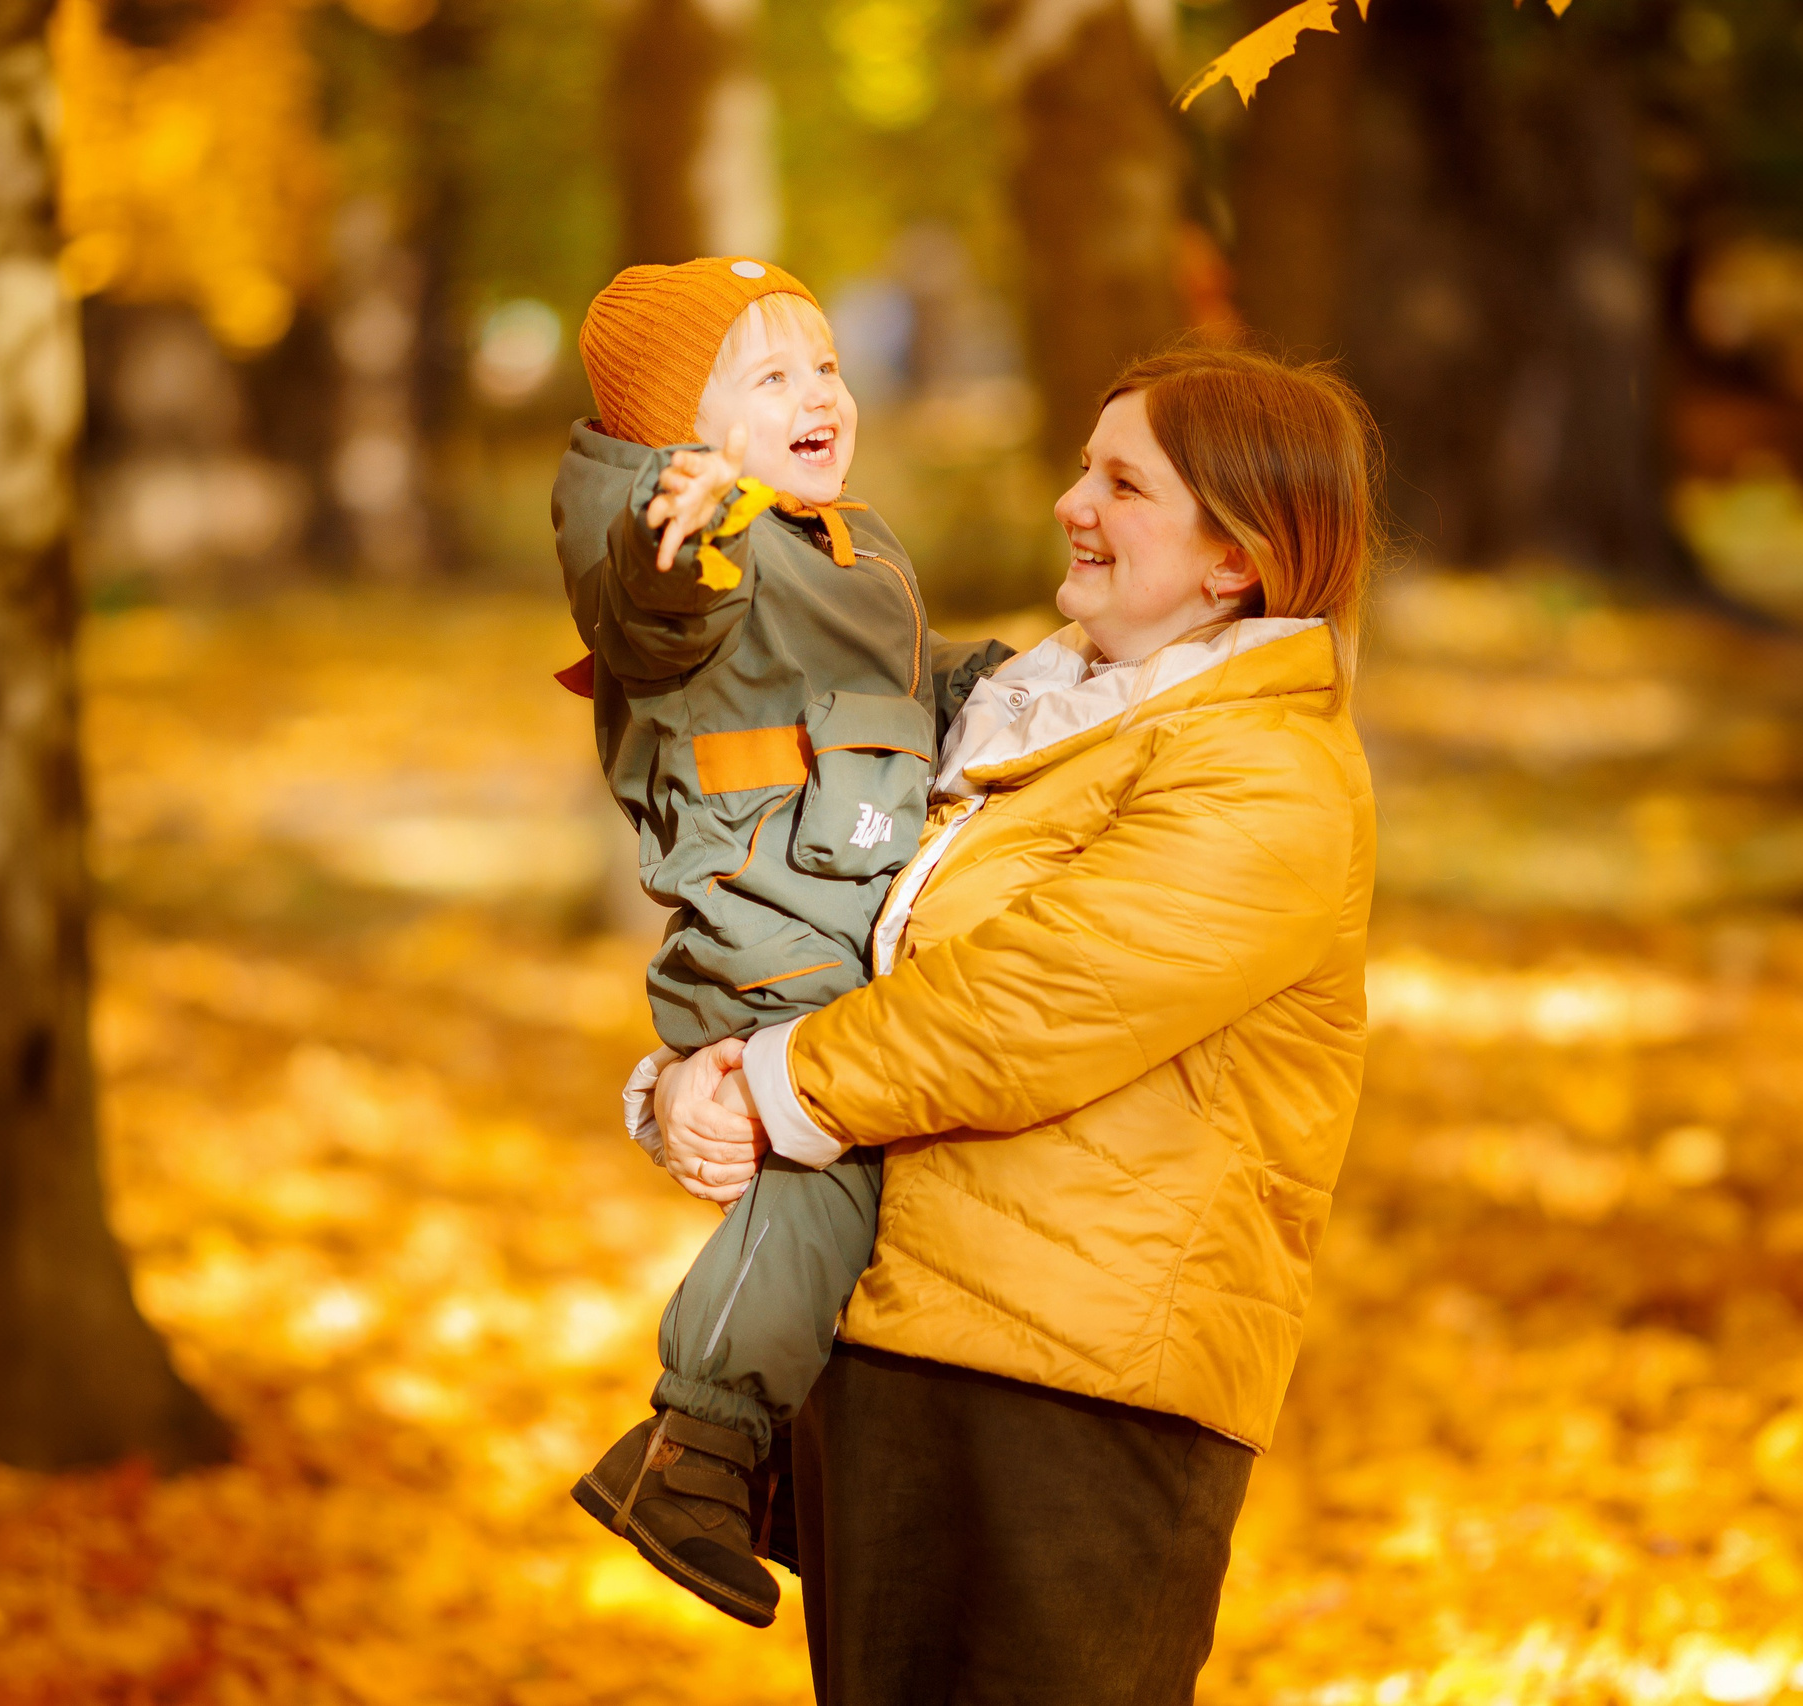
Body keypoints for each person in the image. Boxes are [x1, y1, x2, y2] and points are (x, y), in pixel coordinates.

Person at [657, 343, 1382, 1702]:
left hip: (1081, 1388)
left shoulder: (1266, 772)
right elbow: (838, 907)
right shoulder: (1036, 724)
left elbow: (1027, 1003)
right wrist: (694, 1065)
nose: (1070, 501)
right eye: (1082, 466)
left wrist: (767, 1083)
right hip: (899, 1344)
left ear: (1234, 560)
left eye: (1124, 482)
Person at [552, 255, 1009, 1626]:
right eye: (772, 376)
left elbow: (890, 695)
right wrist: (674, 535)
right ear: (680, 438)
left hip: (833, 916)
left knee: (869, 1189)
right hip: (766, 932)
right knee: (830, 1151)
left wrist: (994, 683)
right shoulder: (699, 540)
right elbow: (650, 612)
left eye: (826, 365)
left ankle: (774, 1454)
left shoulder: (852, 548)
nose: (821, 393)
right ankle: (695, 1444)